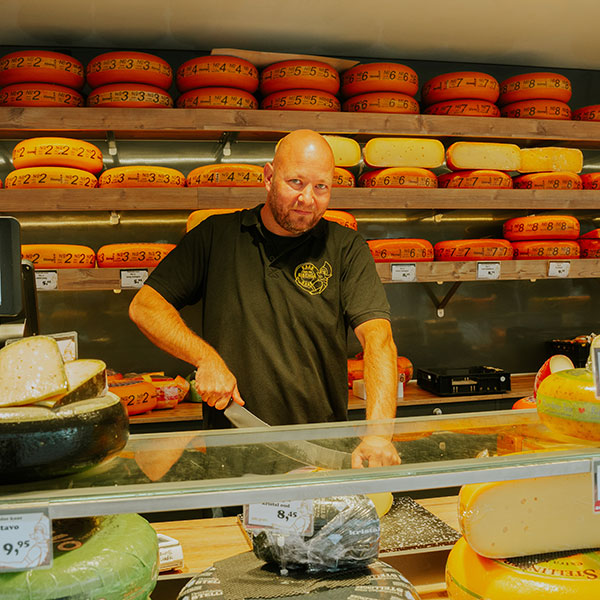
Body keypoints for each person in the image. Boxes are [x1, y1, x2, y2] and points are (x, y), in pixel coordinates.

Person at [129, 129, 400, 468]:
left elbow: (378, 338)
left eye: (321, 187)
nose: (307, 199)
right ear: (269, 177)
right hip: (235, 453)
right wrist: (205, 358)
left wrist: (378, 435)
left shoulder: (346, 248)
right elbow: (145, 305)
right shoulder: (216, 237)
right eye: (296, 183)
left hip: (321, 454)